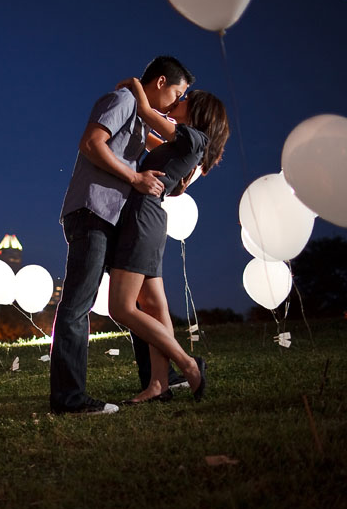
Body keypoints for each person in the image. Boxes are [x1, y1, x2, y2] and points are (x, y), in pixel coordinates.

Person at [50, 56, 194, 415]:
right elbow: (91, 143)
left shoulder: (140, 115)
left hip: (115, 218)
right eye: (177, 93)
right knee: (77, 305)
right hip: (92, 212)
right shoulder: (122, 101)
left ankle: (157, 379)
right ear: (160, 82)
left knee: (137, 302)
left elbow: (157, 160)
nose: (177, 102)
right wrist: (135, 180)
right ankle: (68, 398)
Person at [108, 79, 230, 404]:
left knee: (120, 307)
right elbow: (149, 141)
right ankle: (158, 384)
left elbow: (148, 113)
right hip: (150, 218)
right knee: (152, 305)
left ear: (198, 112)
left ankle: (189, 365)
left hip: (142, 218)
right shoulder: (189, 146)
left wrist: (135, 86)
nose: (180, 100)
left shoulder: (193, 137)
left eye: (186, 98)